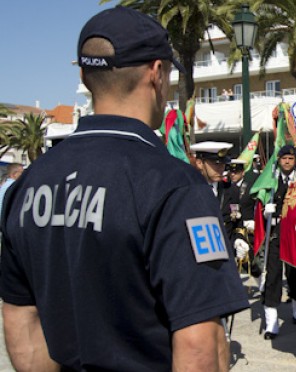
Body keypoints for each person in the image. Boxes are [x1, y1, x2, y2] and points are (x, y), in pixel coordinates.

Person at [0, 7, 249, 371]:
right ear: (157, 72)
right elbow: (200, 344)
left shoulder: (28, 183)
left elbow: (21, 320)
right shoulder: (174, 185)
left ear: (85, 77)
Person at [258, 145, 296, 339]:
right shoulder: (271, 179)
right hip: (276, 232)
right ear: (278, 159)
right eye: (283, 158)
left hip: (293, 232)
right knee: (273, 275)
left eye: (290, 158)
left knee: (294, 274)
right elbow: (257, 197)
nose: (287, 161)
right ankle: (272, 324)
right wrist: (264, 210)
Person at [191, 142, 250, 257]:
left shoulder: (231, 190)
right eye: (215, 164)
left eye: (223, 164)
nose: (221, 169)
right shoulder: (190, 191)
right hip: (198, 258)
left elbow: (237, 222)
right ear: (199, 163)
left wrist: (238, 240)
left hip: (226, 256)